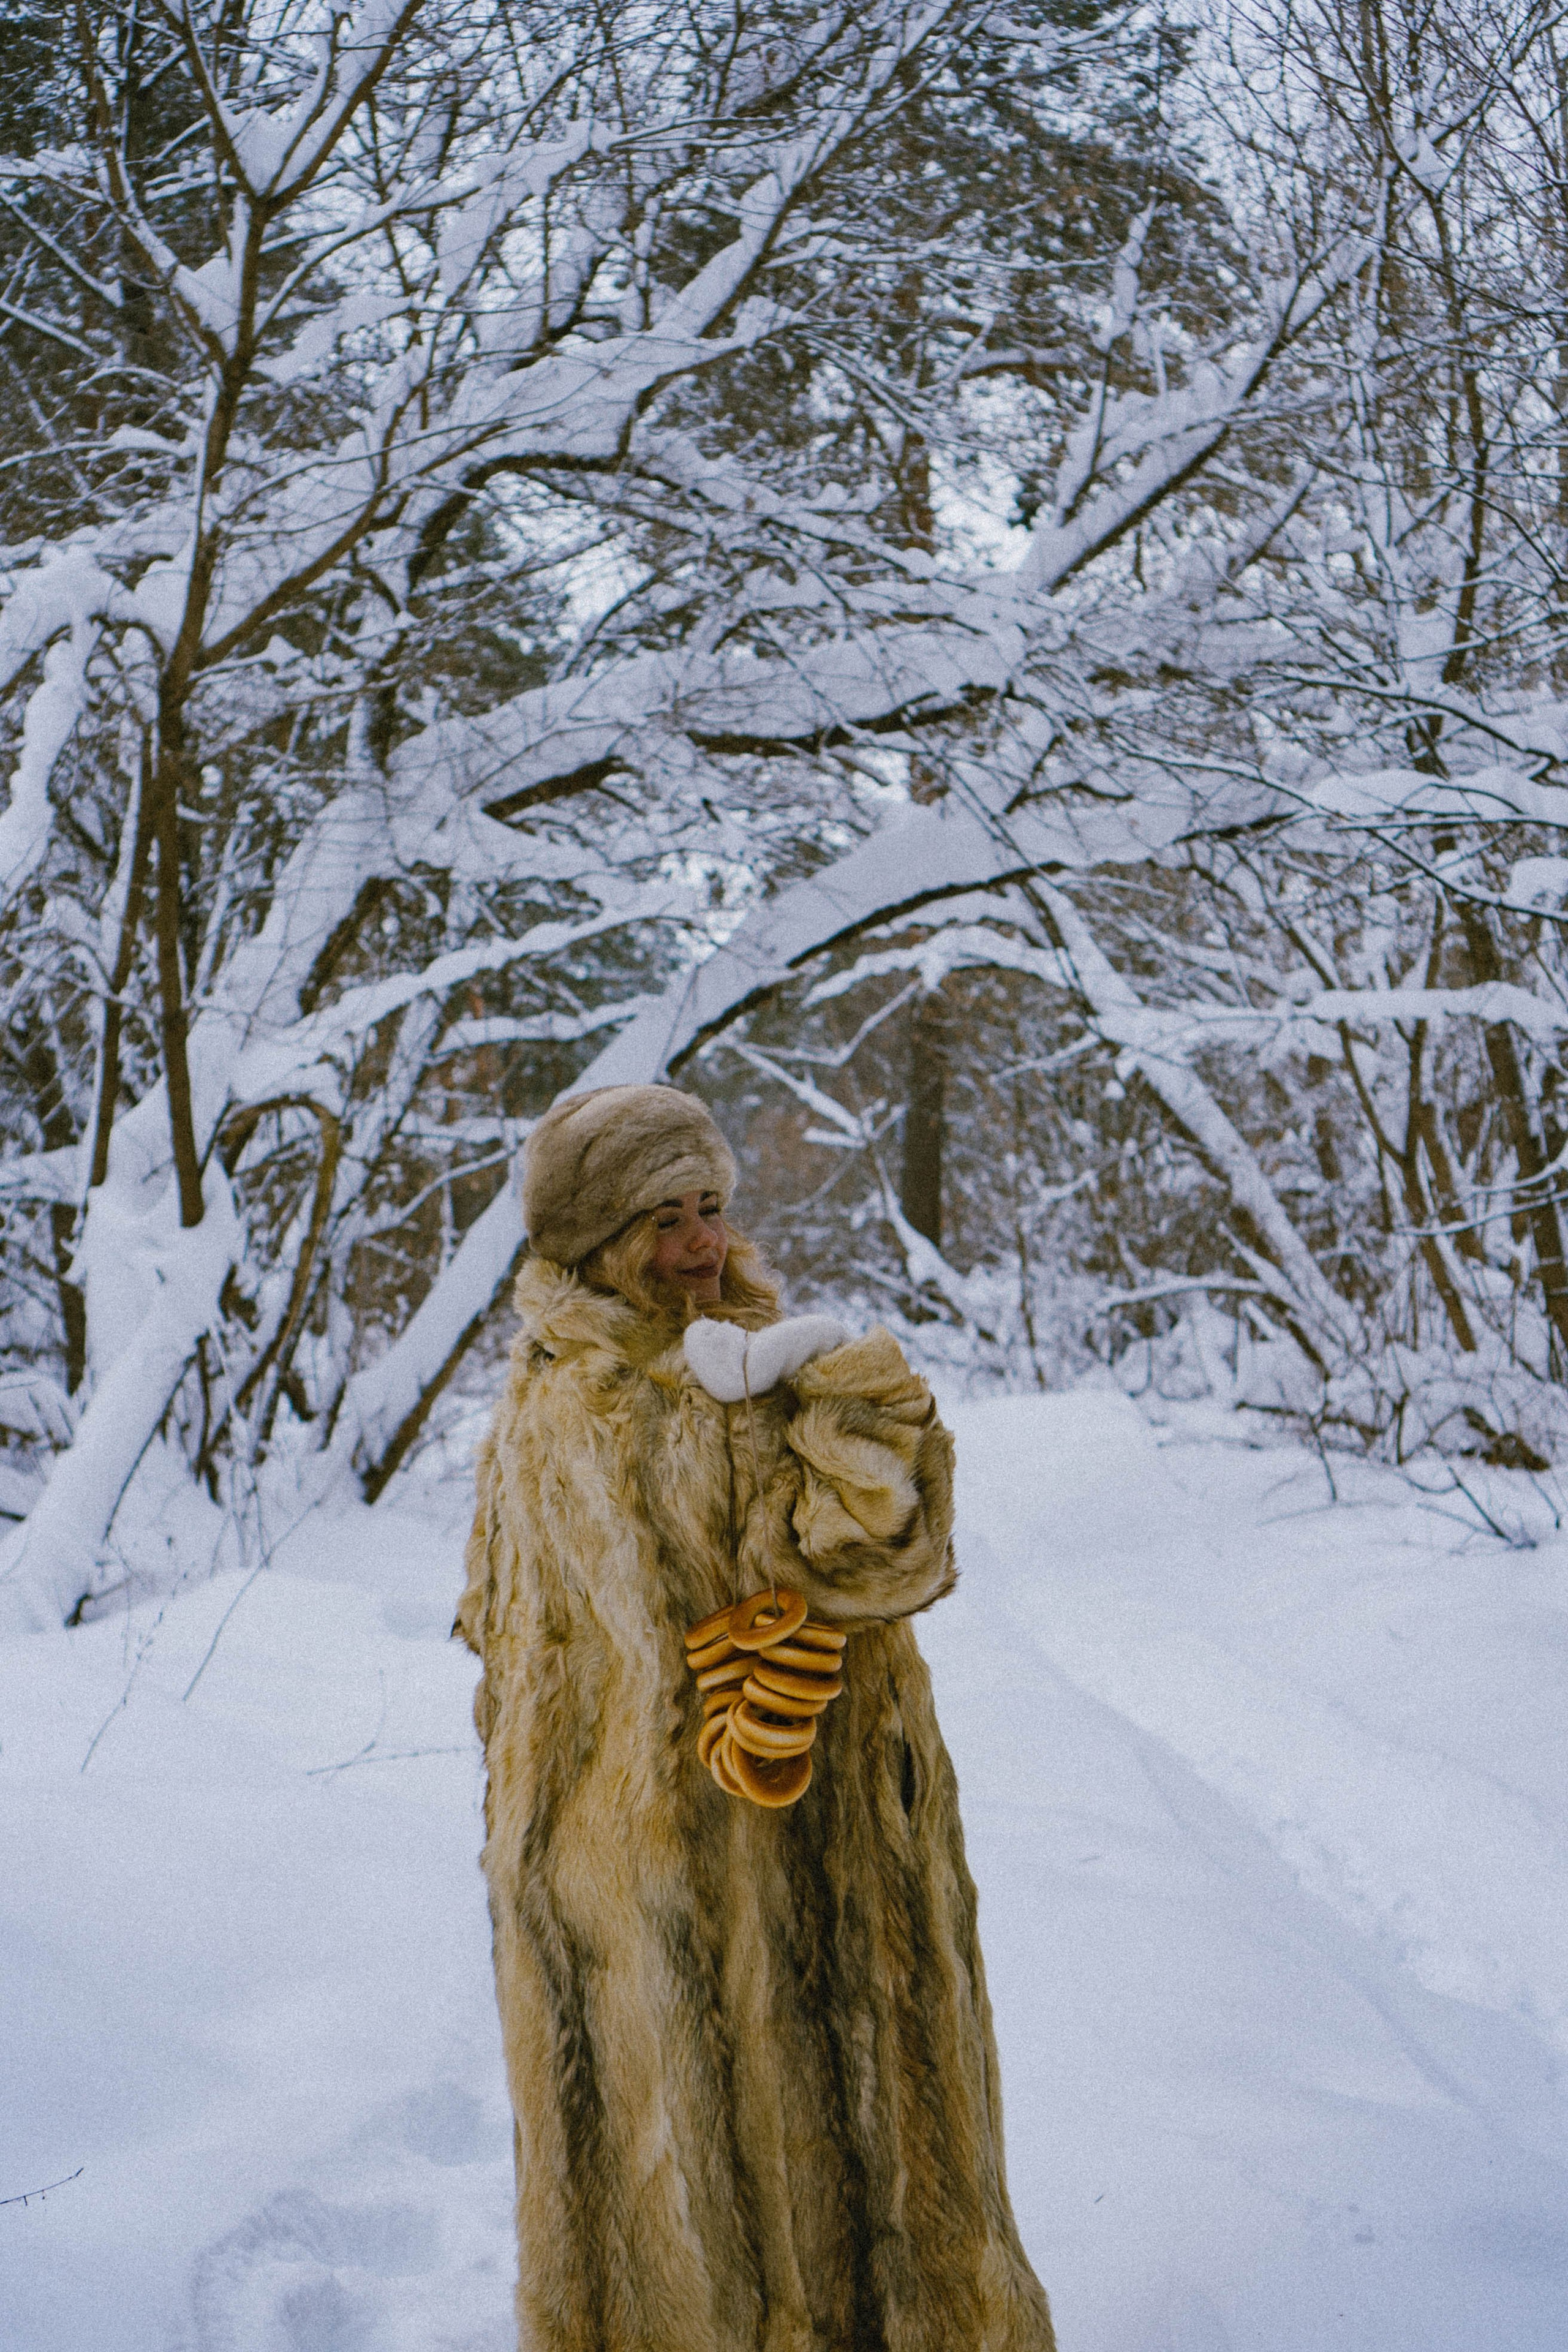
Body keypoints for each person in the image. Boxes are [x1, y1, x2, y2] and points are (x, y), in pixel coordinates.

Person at [456, 1082, 1056, 2352]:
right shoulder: (660, 1402)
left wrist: (833, 1397)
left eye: (711, 1207)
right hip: (718, 1870)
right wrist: (859, 1411)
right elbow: (867, 1566)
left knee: (697, 2199)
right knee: (788, 2196)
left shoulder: (555, 1390)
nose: (699, 1243)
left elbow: (498, 1647)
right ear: (592, 1239)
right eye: (661, 1218)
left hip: (661, 1868)